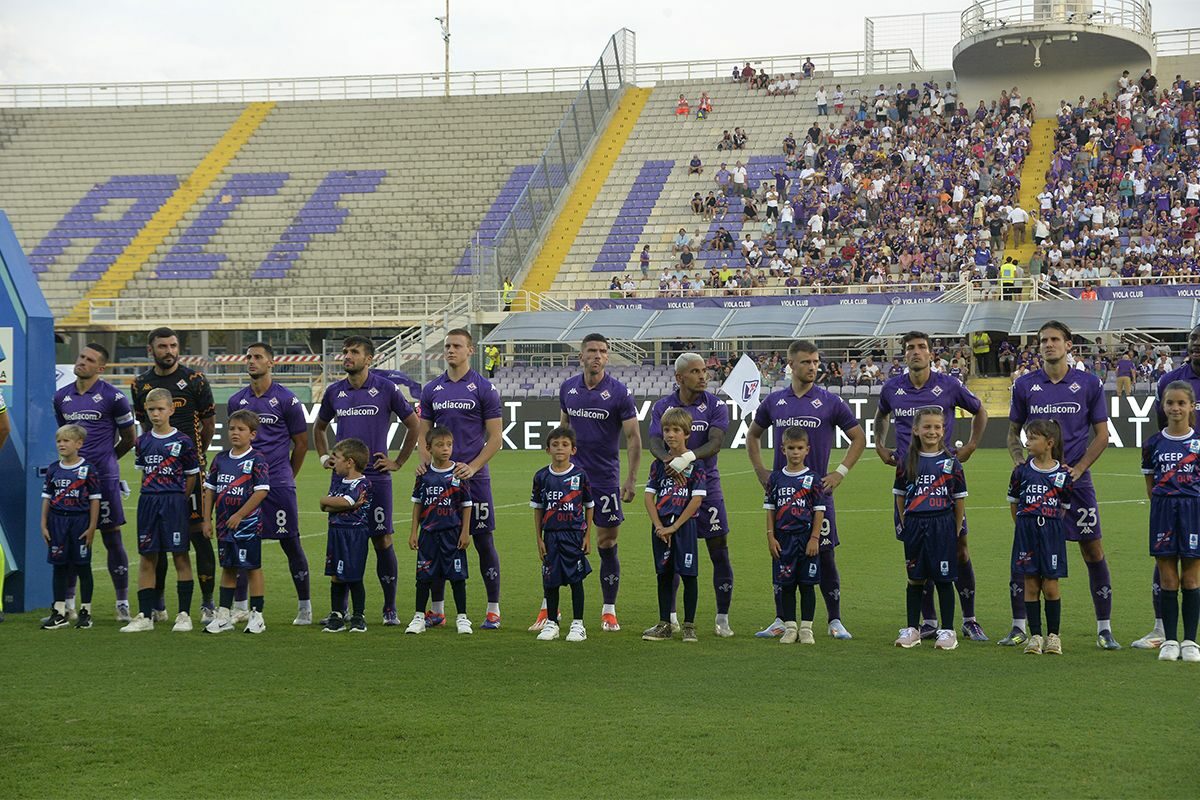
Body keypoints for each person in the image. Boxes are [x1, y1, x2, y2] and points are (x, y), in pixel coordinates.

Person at [1008, 320, 1120, 650]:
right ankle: (1018, 627)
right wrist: (1020, 463)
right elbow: (1013, 432)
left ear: (1069, 345)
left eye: (1055, 339)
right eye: (1043, 340)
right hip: (1036, 485)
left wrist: (1080, 468)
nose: (1048, 344)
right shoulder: (1025, 385)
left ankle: (1104, 627)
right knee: (1025, 554)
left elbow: (1102, 435)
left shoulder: (1088, 384)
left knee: (1092, 549)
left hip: (1076, 484)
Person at [874, 331, 989, 642]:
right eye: (910, 348)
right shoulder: (892, 388)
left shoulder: (948, 385)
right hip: (908, 480)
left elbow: (980, 410)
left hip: (943, 480)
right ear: (904, 355)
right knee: (917, 552)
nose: (916, 352)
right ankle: (928, 621)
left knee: (960, 549)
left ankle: (969, 618)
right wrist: (879, 444)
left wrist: (973, 445)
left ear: (930, 353)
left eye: (921, 347)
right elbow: (881, 415)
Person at [747, 340, 866, 640]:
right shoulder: (774, 402)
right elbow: (752, 436)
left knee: (825, 556)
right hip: (784, 496)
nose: (813, 367)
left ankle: (834, 620)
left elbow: (858, 438)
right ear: (791, 365)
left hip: (817, 497)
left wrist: (839, 473)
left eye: (816, 362)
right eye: (806, 362)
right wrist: (762, 472)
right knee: (781, 556)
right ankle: (780, 619)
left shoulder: (829, 401)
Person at [530, 333, 640, 633]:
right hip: (570, 481)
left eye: (603, 351)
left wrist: (630, 478)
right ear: (582, 356)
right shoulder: (568, 388)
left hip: (605, 479)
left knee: (607, 542)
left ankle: (608, 610)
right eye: (592, 350)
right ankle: (549, 609)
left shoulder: (619, 393)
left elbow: (632, 437)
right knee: (557, 543)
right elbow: (563, 429)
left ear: (607, 357)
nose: (597, 356)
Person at [315, 335, 420, 626]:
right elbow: (320, 427)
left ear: (369, 359)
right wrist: (325, 458)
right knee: (341, 538)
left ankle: (389, 608)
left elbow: (413, 425)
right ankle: (341, 610)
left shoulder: (386, 389)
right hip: (341, 481)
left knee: (381, 539)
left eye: (354, 352)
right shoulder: (335, 391)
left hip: (376, 477)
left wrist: (398, 461)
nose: (347, 356)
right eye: (345, 351)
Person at [419, 328, 504, 628]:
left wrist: (475, 467)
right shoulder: (431, 389)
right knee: (438, 540)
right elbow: (422, 433)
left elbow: (495, 438)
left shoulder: (484, 388)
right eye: (447, 346)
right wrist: (425, 463)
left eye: (457, 345)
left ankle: (493, 608)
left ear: (470, 350)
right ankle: (438, 610)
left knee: (482, 540)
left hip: (474, 479)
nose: (450, 350)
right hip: (440, 480)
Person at [130, 327, 215, 621]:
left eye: (174, 345)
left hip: (190, 473)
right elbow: (143, 427)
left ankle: (206, 603)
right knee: (158, 542)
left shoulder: (195, 379)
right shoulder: (140, 385)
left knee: (198, 537)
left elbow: (208, 424)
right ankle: (157, 604)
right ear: (151, 349)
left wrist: (191, 457)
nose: (169, 351)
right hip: (158, 475)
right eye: (163, 346)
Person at [649, 352, 735, 636]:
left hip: (706, 486)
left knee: (718, 550)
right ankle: (670, 618)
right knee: (670, 553)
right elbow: (654, 442)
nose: (703, 376)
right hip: (671, 488)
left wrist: (686, 459)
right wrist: (668, 464)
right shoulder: (663, 406)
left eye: (704, 371)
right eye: (696, 371)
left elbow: (715, 442)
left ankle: (722, 618)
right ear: (679, 377)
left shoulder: (715, 405)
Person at [227, 342, 311, 625]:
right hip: (244, 485)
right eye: (248, 356)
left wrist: (288, 474)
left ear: (271, 363)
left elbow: (301, 444)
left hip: (277, 484)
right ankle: (239, 607)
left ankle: (304, 607)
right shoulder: (236, 401)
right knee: (242, 543)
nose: (252, 361)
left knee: (290, 542)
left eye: (258, 357)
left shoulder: (287, 400)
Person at [53, 343, 135, 622]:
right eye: (81, 357)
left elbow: (130, 438)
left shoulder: (114, 397)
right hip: (71, 480)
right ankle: (68, 604)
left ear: (100, 368)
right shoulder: (61, 397)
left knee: (112, 538)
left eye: (89, 360)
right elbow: (62, 436)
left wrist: (108, 460)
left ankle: (122, 602)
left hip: (104, 478)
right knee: (71, 539)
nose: (82, 362)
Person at [1135, 325, 1200, 649]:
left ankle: (1189, 639)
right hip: (1170, 501)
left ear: (1191, 406)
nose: (1176, 408)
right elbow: (1151, 478)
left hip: (1195, 501)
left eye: (1182, 404)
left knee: (1192, 571)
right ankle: (1165, 632)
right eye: (1193, 340)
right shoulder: (1170, 381)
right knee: (1167, 568)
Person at [120, 388, 201, 633]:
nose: (156, 414)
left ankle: (184, 615)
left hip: (174, 503)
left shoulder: (183, 441)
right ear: (145, 410)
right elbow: (144, 472)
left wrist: (178, 499)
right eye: (151, 409)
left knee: (180, 555)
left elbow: (191, 478)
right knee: (147, 557)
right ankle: (145, 616)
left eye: (160, 409)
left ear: (171, 410)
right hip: (148, 502)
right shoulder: (142, 441)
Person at [892, 408, 967, 651]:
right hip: (916, 524)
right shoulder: (906, 461)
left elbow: (959, 500)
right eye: (927, 427)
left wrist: (955, 530)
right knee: (915, 578)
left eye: (937, 427)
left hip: (942, 524)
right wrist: (906, 523)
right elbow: (900, 498)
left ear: (943, 430)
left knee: (944, 579)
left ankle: (947, 631)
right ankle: (912, 628)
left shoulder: (951, 462)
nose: (932, 431)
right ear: (915, 430)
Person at [199, 409, 270, 635]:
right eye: (232, 428)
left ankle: (257, 616)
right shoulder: (220, 459)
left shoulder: (257, 460)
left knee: (252, 568)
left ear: (252, 435)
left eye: (241, 429)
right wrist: (206, 519)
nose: (235, 433)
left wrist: (240, 515)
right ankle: (223, 616)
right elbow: (209, 490)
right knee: (228, 568)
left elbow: (261, 492)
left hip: (247, 526)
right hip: (223, 525)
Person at [641, 408, 706, 643]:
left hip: (683, 527)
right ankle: (664, 623)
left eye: (676, 430)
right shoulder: (658, 465)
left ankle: (689, 626)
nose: (670, 435)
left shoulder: (696, 465)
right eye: (667, 430)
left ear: (686, 433)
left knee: (689, 575)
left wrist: (675, 527)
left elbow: (696, 499)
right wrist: (659, 526)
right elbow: (649, 497)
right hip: (661, 528)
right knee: (663, 575)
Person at [1008, 420, 1072, 656]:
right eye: (1027, 437)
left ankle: (1053, 636)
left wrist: (1047, 523)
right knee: (1031, 584)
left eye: (1033, 438)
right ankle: (1035, 636)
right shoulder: (1021, 471)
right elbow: (1014, 504)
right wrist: (1025, 525)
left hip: (1052, 532)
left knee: (1051, 585)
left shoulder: (1063, 474)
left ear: (1049, 443)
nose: (1027, 442)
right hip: (1027, 531)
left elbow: (1063, 507)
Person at [405, 426, 473, 635]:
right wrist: (413, 531)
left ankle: (462, 617)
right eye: (440, 445)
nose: (445, 449)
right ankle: (418, 617)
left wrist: (465, 532)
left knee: (457, 576)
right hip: (428, 534)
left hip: (452, 534)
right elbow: (417, 504)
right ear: (428, 448)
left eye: (449, 445)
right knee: (424, 576)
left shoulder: (459, 473)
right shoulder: (424, 475)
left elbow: (467, 504)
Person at [530, 426, 593, 643]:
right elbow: (538, 508)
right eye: (555, 445)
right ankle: (552, 623)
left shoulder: (580, 475)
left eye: (565, 445)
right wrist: (539, 538)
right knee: (550, 581)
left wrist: (586, 536)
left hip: (573, 535)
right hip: (551, 536)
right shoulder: (541, 476)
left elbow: (589, 505)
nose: (560, 448)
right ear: (548, 449)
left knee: (576, 580)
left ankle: (578, 624)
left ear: (573, 450)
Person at [763, 427, 825, 645]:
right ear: (783, 449)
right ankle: (790, 627)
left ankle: (806, 628)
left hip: (806, 539)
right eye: (791, 448)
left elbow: (819, 510)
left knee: (807, 585)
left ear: (807, 450)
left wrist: (815, 538)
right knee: (786, 585)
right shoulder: (776, 478)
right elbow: (770, 509)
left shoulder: (813, 479)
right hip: (783, 539)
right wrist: (771, 536)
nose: (795, 452)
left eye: (799, 448)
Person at [39, 425, 101, 630]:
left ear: (79, 444)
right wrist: (43, 523)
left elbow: (94, 500)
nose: (61, 444)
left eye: (66, 441)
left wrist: (92, 526)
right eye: (59, 441)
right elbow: (47, 498)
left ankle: (86, 612)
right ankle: (59, 612)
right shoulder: (53, 469)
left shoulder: (88, 469)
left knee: (83, 566)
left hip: (80, 522)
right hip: (57, 522)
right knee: (59, 566)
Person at [320, 438, 372, 633]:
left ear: (350, 462)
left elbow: (346, 501)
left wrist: (327, 500)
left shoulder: (364, 483)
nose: (334, 463)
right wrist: (328, 501)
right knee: (336, 575)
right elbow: (326, 506)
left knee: (354, 575)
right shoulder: (339, 483)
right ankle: (337, 614)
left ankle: (359, 615)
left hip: (354, 534)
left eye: (337, 458)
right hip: (335, 532)